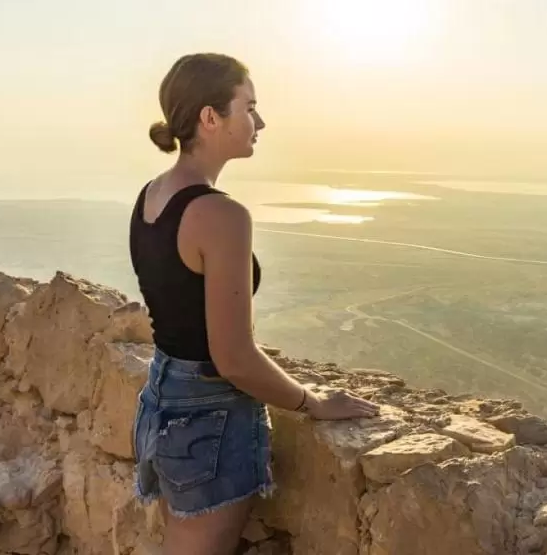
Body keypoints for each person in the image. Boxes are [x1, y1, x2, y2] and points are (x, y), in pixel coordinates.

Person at [129, 53, 379, 555]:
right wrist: (314, 403)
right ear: (209, 117)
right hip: (208, 415)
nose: (260, 121)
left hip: (161, 399)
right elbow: (234, 357)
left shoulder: (152, 195)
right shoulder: (219, 215)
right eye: (249, 106)